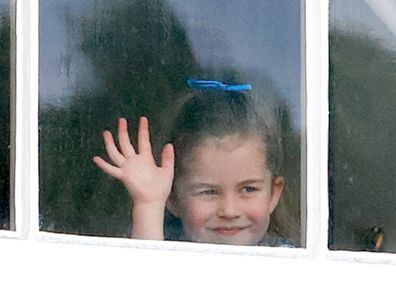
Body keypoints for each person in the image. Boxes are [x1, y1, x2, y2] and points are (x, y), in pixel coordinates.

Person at [93, 80, 294, 246]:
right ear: (173, 198)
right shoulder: (171, 253)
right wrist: (149, 204)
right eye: (208, 192)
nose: (230, 211)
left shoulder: (290, 262)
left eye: (249, 189)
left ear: (273, 194)